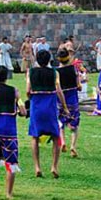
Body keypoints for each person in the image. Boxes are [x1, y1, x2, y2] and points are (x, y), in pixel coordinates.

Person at [0, 65, 25, 200]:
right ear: (6, 76)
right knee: (11, 162)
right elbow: (22, 109)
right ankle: (9, 192)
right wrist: (21, 111)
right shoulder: (14, 91)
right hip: (9, 131)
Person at [27, 49, 68, 178]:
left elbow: (28, 91)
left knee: (35, 136)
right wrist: (65, 107)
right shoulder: (54, 73)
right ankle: (54, 166)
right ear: (49, 59)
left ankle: (37, 167)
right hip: (50, 108)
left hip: (36, 107)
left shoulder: (31, 72)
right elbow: (59, 91)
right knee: (56, 136)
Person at [56, 48, 81, 158]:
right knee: (74, 125)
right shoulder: (73, 69)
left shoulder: (56, 72)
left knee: (61, 122)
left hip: (60, 101)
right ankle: (73, 146)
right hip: (72, 100)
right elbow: (79, 86)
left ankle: (63, 142)